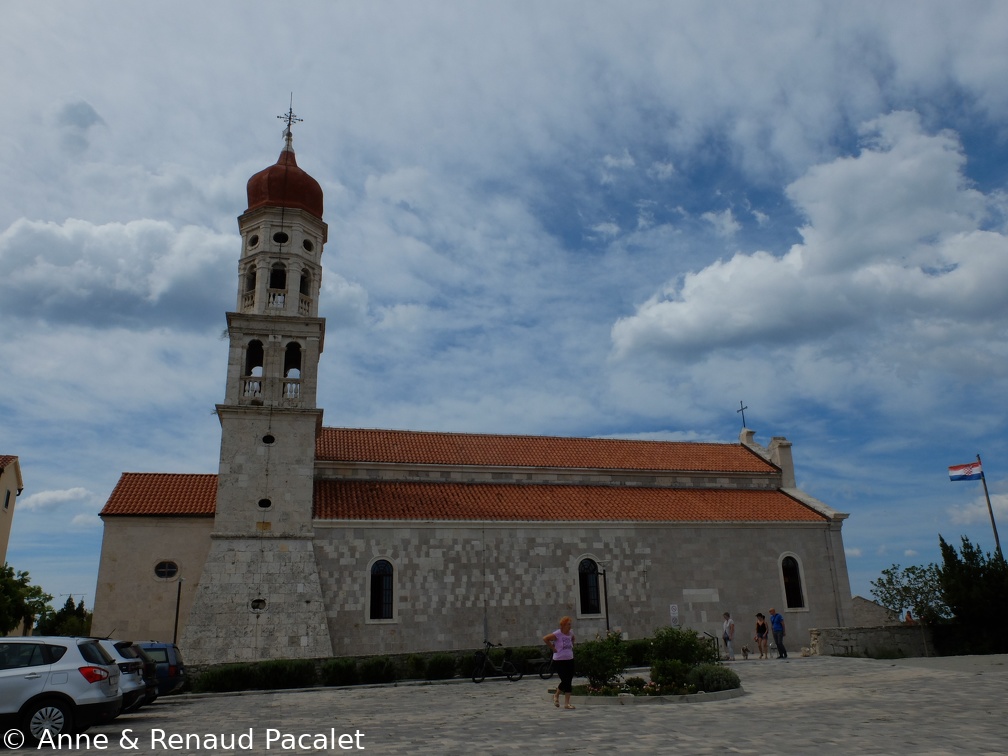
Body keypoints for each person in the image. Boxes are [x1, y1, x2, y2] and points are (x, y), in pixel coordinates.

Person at [544, 616, 576, 710]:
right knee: (565, 680)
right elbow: (545, 638)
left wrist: (572, 645)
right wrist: (553, 648)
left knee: (569, 680)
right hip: (559, 660)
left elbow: (573, 638)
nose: (570, 626)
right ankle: (556, 695)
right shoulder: (557, 634)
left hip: (570, 659)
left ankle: (566, 703)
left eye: (570, 624)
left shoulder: (571, 633)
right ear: (563, 625)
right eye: (568, 624)